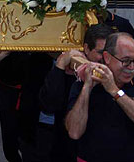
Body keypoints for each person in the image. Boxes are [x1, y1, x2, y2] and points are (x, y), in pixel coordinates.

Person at [65, 33, 134, 162]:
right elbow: (74, 132)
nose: (131, 67)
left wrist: (114, 90)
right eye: (125, 61)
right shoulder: (81, 86)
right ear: (107, 57)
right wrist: (87, 88)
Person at [36, 24, 113, 162]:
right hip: (68, 149)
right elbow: (49, 105)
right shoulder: (68, 72)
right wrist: (60, 66)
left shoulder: (116, 73)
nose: (105, 59)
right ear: (86, 48)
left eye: (110, 53)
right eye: (101, 53)